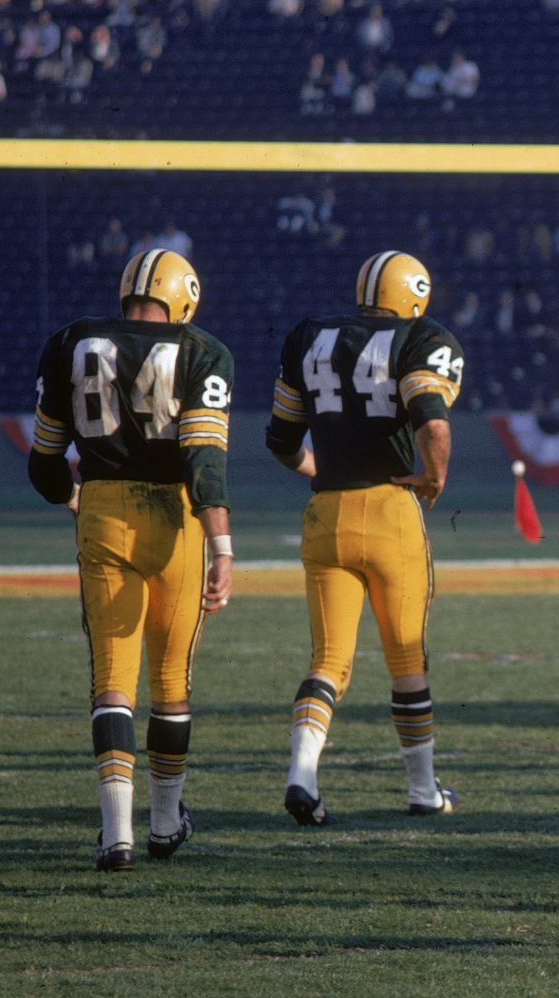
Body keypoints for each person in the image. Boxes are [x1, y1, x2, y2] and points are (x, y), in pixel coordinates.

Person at [26, 251, 235, 869]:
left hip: (103, 510)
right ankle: (166, 823)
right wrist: (221, 545)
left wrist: (77, 500)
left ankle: (116, 834)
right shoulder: (203, 350)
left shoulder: (70, 341)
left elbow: (43, 464)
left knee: (112, 680)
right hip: (177, 520)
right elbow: (204, 462)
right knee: (171, 681)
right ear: (185, 299)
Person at [266, 251, 467, 824]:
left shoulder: (309, 335)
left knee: (328, 660)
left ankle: (302, 774)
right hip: (390, 511)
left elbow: (280, 441)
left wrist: (322, 474)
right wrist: (434, 476)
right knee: (406, 659)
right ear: (416, 296)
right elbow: (432, 420)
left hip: (326, 512)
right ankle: (423, 791)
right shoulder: (421, 337)